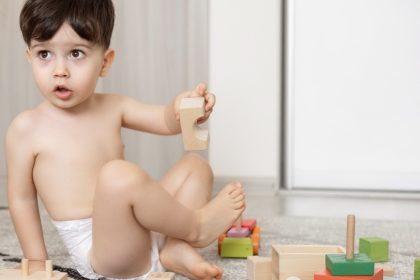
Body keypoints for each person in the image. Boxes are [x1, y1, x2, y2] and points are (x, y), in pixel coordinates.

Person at [6, 1, 246, 279]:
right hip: (104, 254)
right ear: (29, 56)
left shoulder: (112, 106)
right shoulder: (26, 128)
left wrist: (185, 108)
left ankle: (174, 247)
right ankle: (196, 227)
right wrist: (36, 261)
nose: (60, 70)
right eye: (44, 54)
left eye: (75, 53)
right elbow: (22, 199)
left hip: (141, 230)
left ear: (105, 62)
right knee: (117, 176)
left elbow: (165, 120)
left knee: (195, 165)